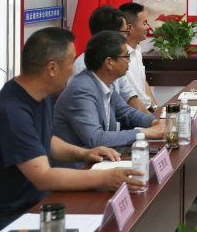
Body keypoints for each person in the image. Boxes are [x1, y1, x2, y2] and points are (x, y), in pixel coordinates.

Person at [0, 28, 146, 232]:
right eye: (71, 61)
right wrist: (105, 177)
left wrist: (84, 153)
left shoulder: (40, 96)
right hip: (3, 219)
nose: (75, 68)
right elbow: (43, 177)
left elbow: (46, 141)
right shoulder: (12, 111)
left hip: (35, 206)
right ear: (52, 68)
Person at [53, 31, 164, 166]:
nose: (129, 60)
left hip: (100, 160)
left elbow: (127, 112)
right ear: (109, 62)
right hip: (79, 168)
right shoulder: (82, 89)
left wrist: (153, 122)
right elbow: (96, 138)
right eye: (126, 56)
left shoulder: (104, 83)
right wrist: (145, 132)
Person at [70, 5, 148, 114]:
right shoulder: (84, 68)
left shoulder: (114, 60)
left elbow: (128, 96)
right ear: (110, 35)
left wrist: (154, 120)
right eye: (124, 32)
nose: (126, 37)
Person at [119, 2, 158, 112]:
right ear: (129, 28)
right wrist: (150, 117)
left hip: (146, 110)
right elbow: (128, 97)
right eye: (144, 23)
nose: (147, 27)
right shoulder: (119, 56)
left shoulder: (137, 50)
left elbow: (143, 81)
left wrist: (155, 108)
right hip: (134, 113)